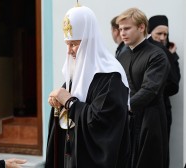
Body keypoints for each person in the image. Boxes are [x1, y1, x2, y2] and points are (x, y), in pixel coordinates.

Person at [45, 5, 130, 168]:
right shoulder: (76, 71)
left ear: (89, 42)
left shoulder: (111, 76)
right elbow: (65, 104)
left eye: (74, 44)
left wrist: (69, 102)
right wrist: (57, 102)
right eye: (67, 44)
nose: (69, 51)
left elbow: (101, 124)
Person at [116, 8, 170, 168]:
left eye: (127, 28)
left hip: (150, 120)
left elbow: (150, 89)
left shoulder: (157, 55)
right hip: (127, 121)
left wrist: (125, 107)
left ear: (141, 27)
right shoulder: (122, 56)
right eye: (120, 29)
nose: (122, 33)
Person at [148, 15, 181, 139]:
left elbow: (174, 83)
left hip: (162, 108)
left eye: (165, 34)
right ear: (150, 33)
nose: (162, 38)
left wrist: (171, 57)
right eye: (159, 33)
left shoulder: (169, 53)